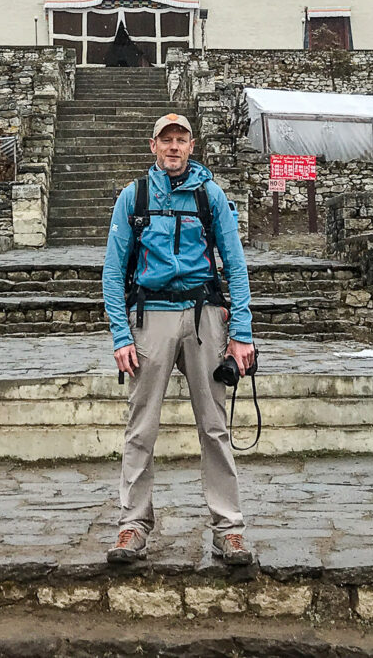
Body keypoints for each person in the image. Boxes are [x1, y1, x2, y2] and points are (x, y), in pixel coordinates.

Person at [102, 112, 256, 567]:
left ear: (191, 146)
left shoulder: (211, 195)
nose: (173, 147)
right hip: (151, 316)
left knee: (215, 426)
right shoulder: (134, 196)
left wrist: (241, 333)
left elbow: (235, 264)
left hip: (204, 315)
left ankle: (229, 529)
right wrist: (120, 335)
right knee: (141, 426)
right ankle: (133, 523)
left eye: (181, 139)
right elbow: (113, 270)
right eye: (165, 139)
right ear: (153, 146)